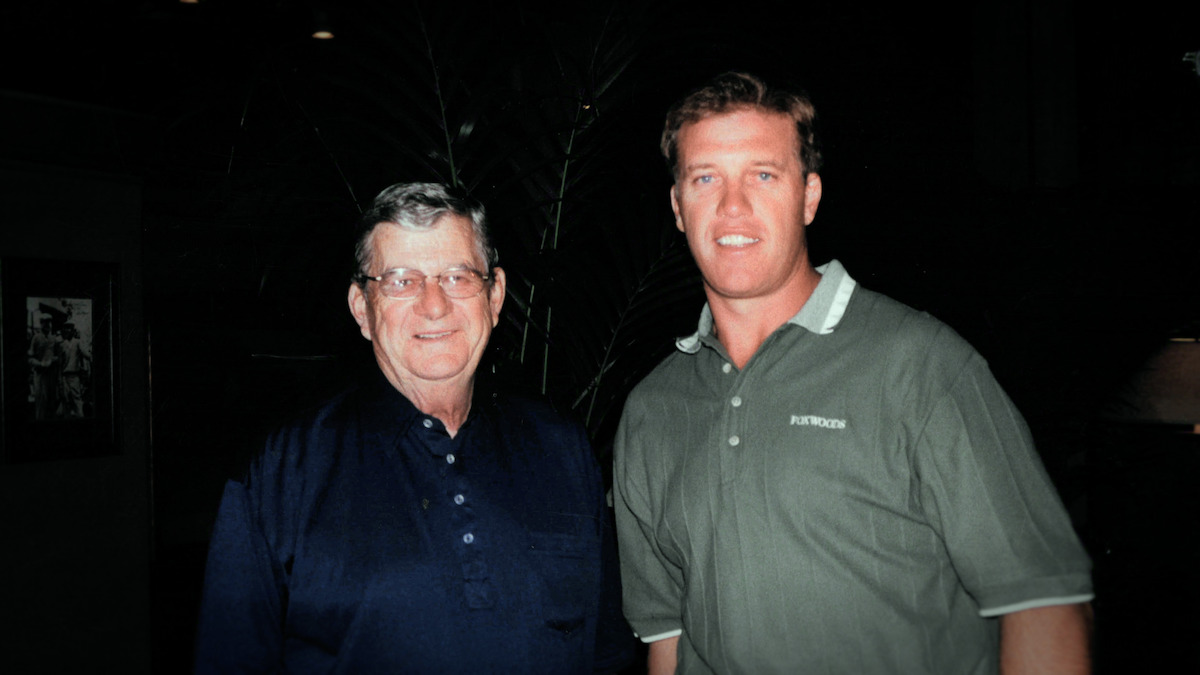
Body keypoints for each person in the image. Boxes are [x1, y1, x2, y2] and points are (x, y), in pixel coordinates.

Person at [613, 72, 1094, 674]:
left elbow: (1043, 605)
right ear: (678, 207)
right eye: (705, 178)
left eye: (763, 174)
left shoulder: (921, 366)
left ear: (809, 196)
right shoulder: (652, 410)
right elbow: (669, 638)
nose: (732, 206)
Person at [195, 182, 633, 673]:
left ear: (495, 295)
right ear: (362, 308)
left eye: (457, 276)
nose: (434, 304)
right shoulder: (282, 470)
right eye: (402, 280)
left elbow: (609, 652)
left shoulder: (563, 449)